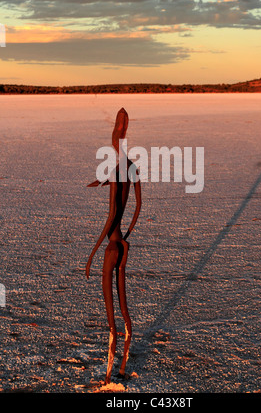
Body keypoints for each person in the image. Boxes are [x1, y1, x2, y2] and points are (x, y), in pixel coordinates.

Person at [86, 107, 142, 385]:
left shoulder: (118, 169)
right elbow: (138, 205)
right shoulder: (132, 167)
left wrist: (93, 253)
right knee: (125, 310)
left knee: (111, 320)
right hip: (124, 245)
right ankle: (122, 367)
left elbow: (110, 216)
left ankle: (109, 376)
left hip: (111, 248)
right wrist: (129, 232)